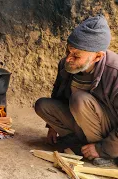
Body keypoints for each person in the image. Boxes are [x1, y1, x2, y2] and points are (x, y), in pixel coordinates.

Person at [35, 15, 118, 166]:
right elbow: (57, 94)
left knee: (79, 100)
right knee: (42, 105)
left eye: (76, 55)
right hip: (82, 121)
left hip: (109, 131)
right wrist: (52, 126)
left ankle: (101, 153)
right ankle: (80, 143)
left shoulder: (115, 72)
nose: (68, 59)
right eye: (68, 51)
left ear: (97, 56)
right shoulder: (67, 65)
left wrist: (103, 149)